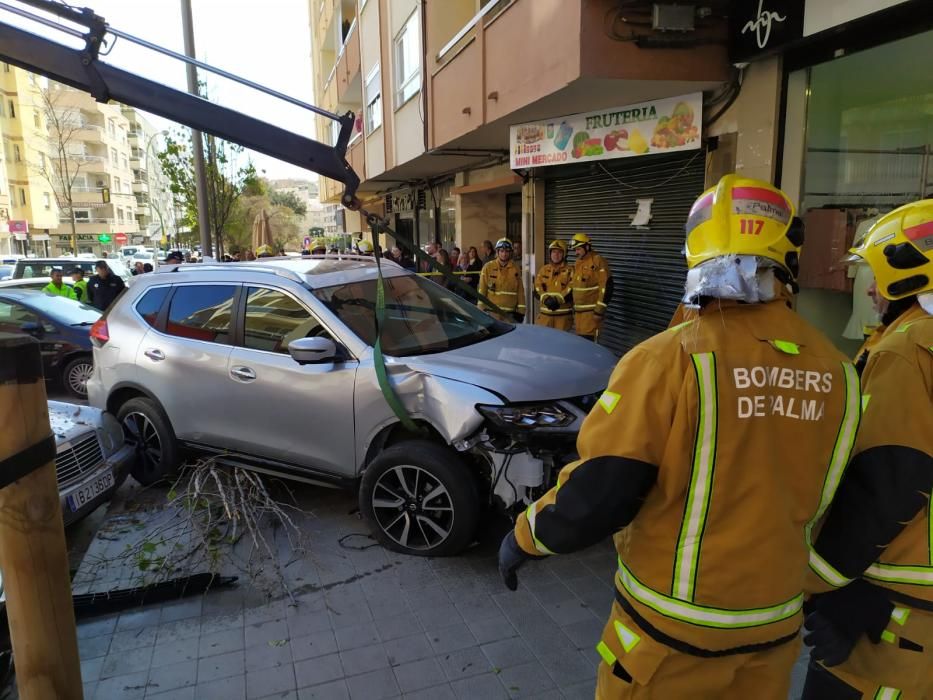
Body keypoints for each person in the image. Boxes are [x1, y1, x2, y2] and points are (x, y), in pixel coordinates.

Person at [498, 175, 860, 699]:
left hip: (671, 632)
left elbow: (605, 488)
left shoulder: (669, 358)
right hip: (773, 625)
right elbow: (848, 497)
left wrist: (526, 536)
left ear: (696, 253)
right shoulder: (842, 371)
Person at [800, 200, 933, 700]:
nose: (872, 290)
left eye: (874, 274)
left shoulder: (907, 349)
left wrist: (825, 584)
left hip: (896, 609)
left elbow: (887, 480)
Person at [569, 232, 612, 341]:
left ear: (587, 247)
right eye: (575, 250)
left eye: (578, 249)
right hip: (578, 316)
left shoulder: (598, 261)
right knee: (581, 347)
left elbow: (607, 286)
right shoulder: (578, 263)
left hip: (591, 316)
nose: (576, 253)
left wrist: (599, 311)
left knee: (589, 347)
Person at [478, 238, 524, 322]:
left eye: (507, 251)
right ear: (497, 252)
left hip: (510, 314)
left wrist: (521, 312)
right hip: (492, 313)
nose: (504, 254)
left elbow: (520, 290)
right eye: (502, 251)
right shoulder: (488, 267)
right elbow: (482, 289)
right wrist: (481, 309)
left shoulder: (515, 268)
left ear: (510, 253)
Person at [533, 240, 573, 331]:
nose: (556, 255)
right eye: (553, 252)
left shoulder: (571, 270)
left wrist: (557, 300)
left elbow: (571, 289)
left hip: (563, 319)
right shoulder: (544, 269)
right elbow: (537, 288)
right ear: (550, 254)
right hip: (544, 318)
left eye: (559, 252)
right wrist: (546, 299)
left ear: (564, 254)